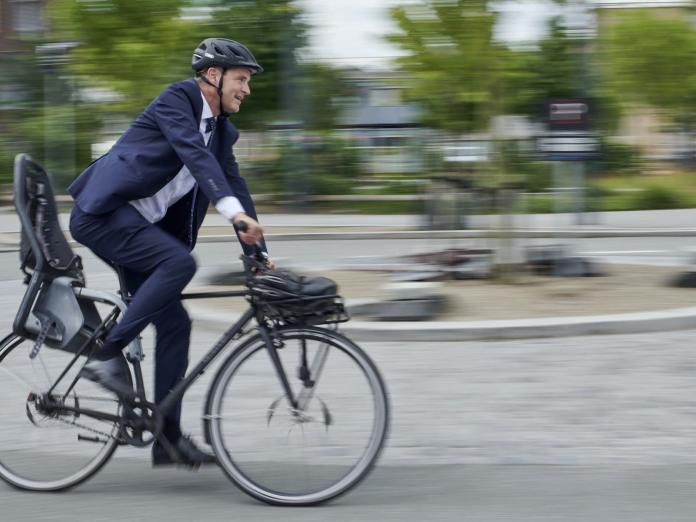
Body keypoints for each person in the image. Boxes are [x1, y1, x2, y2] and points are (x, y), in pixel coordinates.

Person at [68, 37, 272, 468]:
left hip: (136, 227)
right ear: (213, 77)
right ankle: (105, 357)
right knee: (178, 264)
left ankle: (168, 438)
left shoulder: (221, 131)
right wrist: (234, 217)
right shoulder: (175, 100)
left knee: (176, 323)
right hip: (102, 214)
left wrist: (257, 254)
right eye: (241, 79)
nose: (247, 90)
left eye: (248, 82)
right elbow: (196, 159)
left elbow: (233, 184)